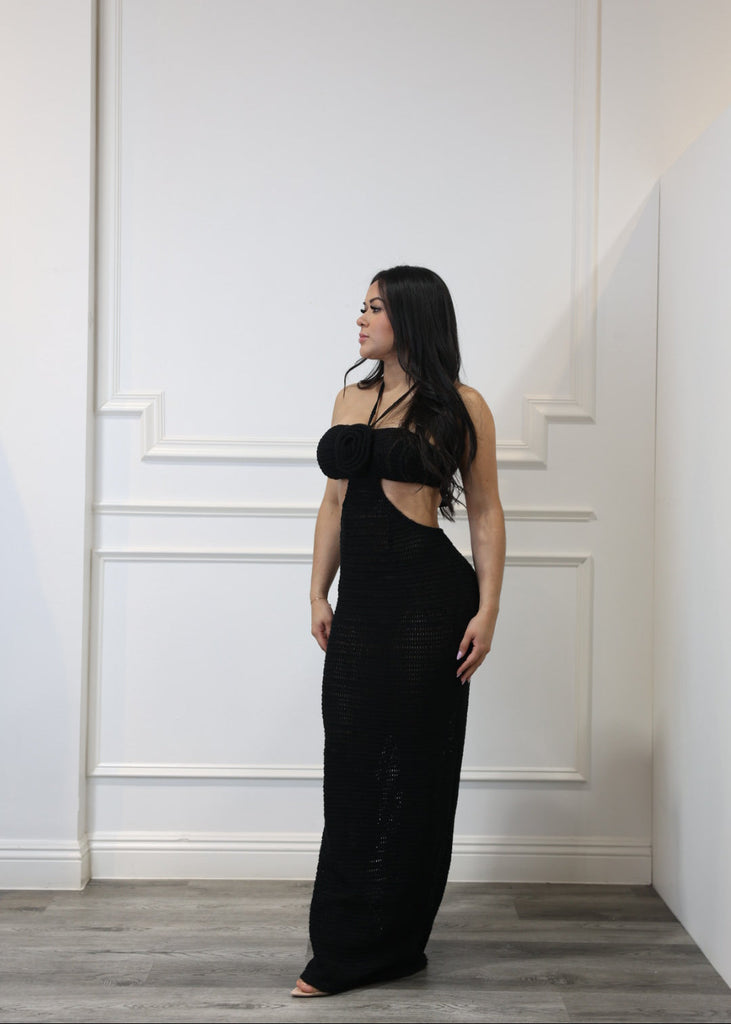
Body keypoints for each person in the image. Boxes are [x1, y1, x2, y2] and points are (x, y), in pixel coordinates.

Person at [292, 265, 505, 997]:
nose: (360, 318)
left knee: (415, 769)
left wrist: (488, 609)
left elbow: (485, 510)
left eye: (375, 307)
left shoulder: (461, 405)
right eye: (362, 306)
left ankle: (391, 943)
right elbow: (332, 503)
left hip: (429, 602)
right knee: (351, 768)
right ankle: (348, 939)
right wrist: (317, 590)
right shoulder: (350, 397)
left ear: (411, 318)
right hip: (362, 604)